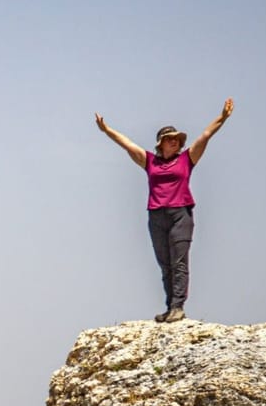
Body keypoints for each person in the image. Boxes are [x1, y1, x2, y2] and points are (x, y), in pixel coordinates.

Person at [95, 98, 234, 322]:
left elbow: (206, 135)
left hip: (181, 214)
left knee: (179, 261)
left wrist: (223, 117)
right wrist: (106, 130)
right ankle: (170, 307)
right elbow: (126, 144)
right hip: (156, 215)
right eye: (170, 140)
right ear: (161, 143)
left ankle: (178, 306)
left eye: (177, 140)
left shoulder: (187, 159)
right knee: (165, 264)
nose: (175, 143)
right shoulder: (150, 162)